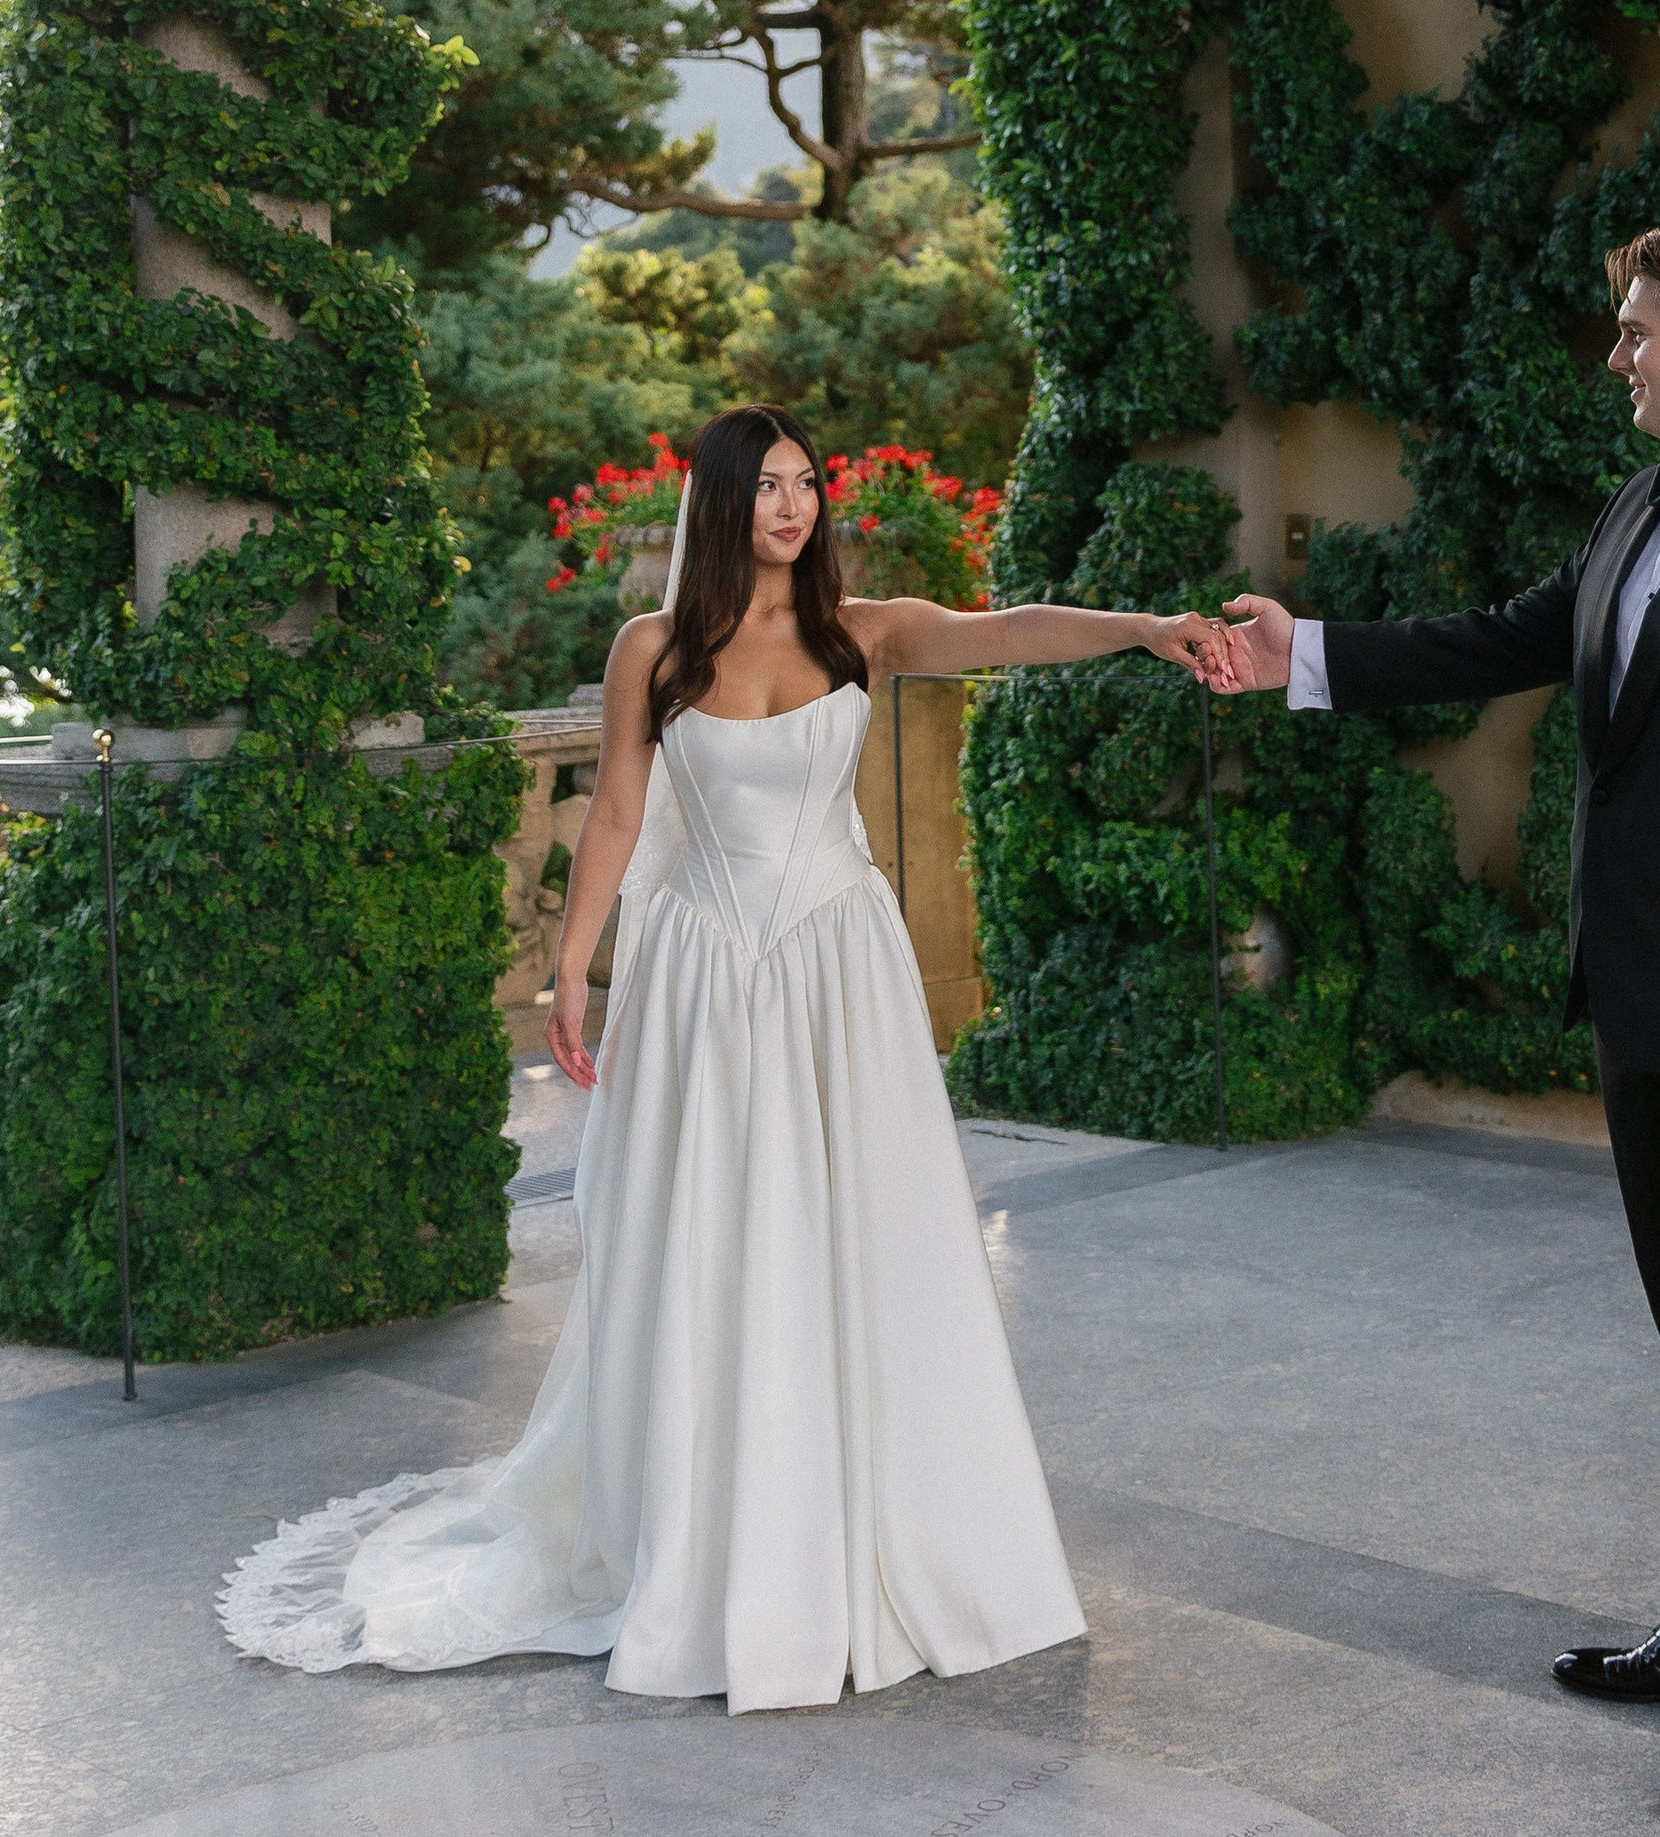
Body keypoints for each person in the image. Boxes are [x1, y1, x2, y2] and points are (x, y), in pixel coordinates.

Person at [219, 402, 1221, 1713]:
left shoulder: (863, 633)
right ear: (720, 503)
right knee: (704, 1238)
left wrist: (1144, 629)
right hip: (699, 976)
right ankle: (704, 1533)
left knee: (855, 1233)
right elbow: (622, 811)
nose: (794, 507)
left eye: (810, 483)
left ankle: (866, 1522)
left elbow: (1005, 636)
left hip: (832, 971)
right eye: (768, 487)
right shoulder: (656, 645)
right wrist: (572, 963)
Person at [1201, 213, 1660, 1822]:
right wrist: (1299, 653)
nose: (1622, 354)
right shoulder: (1642, 506)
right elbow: (1515, 639)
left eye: (1640, 326)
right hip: (1645, 1008)